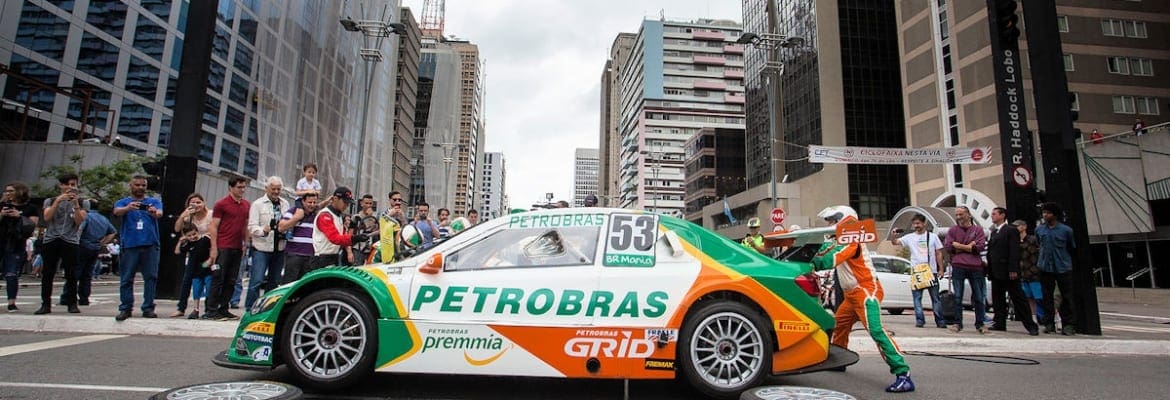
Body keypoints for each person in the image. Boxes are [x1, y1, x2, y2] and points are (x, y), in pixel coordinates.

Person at [813, 205, 913, 393]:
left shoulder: (852, 240)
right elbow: (823, 250)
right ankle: (839, 360)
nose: (830, 224)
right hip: (852, 295)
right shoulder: (838, 239)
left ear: (845, 220)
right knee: (840, 326)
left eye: (833, 220)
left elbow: (828, 260)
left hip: (865, 291)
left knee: (876, 330)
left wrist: (809, 260)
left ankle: (903, 373)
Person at [111, 175, 164, 321]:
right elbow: (116, 212)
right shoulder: (123, 202)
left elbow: (160, 214)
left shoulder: (154, 202)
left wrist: (153, 212)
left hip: (150, 244)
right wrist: (128, 208)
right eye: (137, 185)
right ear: (131, 185)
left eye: (143, 185)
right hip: (130, 244)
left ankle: (148, 307)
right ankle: (125, 307)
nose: (140, 188)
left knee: (151, 277)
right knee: (127, 278)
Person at [38, 173, 88, 315]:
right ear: (62, 185)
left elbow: (79, 221)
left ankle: (72, 303)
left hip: (70, 239)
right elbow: (47, 217)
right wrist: (58, 201)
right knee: (48, 273)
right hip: (52, 239)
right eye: (69, 184)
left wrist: (76, 204)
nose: (71, 188)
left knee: (71, 274)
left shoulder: (83, 202)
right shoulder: (50, 200)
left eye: (74, 185)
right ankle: (45, 304)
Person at [985, 207, 1039, 335]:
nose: (992, 216)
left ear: (1002, 215)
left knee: (1018, 298)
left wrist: (1013, 268)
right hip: (996, 271)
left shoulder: (1010, 230)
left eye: (994, 214)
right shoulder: (994, 232)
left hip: (1008, 271)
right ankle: (999, 323)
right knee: (998, 299)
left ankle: (1030, 325)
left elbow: (1014, 250)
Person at [206, 177, 251, 321]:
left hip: (237, 246)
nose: (242, 190)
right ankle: (211, 310)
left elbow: (245, 225)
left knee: (232, 280)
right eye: (239, 187)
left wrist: (245, 243)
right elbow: (213, 226)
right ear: (231, 188)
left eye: (244, 187)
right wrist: (214, 247)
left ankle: (224, 308)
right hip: (223, 245)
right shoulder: (222, 204)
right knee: (218, 278)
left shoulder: (245, 205)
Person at [889, 214, 946, 328]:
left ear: (924, 223)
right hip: (917, 271)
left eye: (918, 223)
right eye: (914, 223)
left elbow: (939, 253)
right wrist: (893, 236)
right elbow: (896, 243)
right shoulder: (909, 237)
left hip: (931, 270)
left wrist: (941, 269)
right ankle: (920, 320)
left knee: (935, 298)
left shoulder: (933, 236)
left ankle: (940, 320)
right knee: (917, 298)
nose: (916, 226)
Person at [244, 176, 289, 310]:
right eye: (273, 189)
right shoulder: (258, 204)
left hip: (279, 247)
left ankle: (268, 309)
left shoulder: (285, 204)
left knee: (274, 282)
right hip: (262, 247)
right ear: (266, 189)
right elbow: (251, 226)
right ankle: (250, 308)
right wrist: (262, 230)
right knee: (256, 280)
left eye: (278, 189)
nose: (276, 192)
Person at [942, 205, 988, 334]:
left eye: (961, 214)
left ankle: (980, 323)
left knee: (979, 296)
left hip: (975, 267)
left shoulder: (978, 230)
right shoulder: (952, 230)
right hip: (958, 266)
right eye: (957, 215)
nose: (959, 217)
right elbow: (949, 247)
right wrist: (969, 246)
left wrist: (960, 246)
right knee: (958, 296)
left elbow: (979, 247)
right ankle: (957, 323)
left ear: (968, 214)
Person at [1036, 202, 1077, 336]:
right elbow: (1039, 244)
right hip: (1045, 267)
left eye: (1047, 213)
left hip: (1062, 267)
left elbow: (1071, 247)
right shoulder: (1040, 230)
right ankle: (1049, 324)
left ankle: (1068, 325)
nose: (1044, 215)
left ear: (1054, 215)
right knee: (1046, 297)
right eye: (1043, 213)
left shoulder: (1066, 230)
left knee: (1067, 297)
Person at [171, 193, 212, 317]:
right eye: (192, 203)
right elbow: (177, 229)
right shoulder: (188, 217)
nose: (196, 205)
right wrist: (183, 215)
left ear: (204, 203)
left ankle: (209, 308)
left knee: (209, 282)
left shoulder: (211, 214)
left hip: (207, 252)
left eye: (199, 202)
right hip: (193, 253)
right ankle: (181, 308)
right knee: (187, 279)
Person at [310, 187, 367, 272]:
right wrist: (355, 238)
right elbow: (335, 238)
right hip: (321, 259)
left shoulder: (339, 216)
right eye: (345, 202)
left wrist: (355, 239)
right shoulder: (325, 215)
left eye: (348, 203)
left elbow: (343, 236)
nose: (347, 205)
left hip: (333, 257)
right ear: (335, 199)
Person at [3, 182, 39, 312]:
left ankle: (11, 302)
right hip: (2, 239)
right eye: (7, 191)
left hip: (16, 243)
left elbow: (32, 226)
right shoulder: (2, 205)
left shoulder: (30, 208)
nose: (8, 193)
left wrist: (19, 216)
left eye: (11, 191)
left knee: (11, 273)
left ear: (20, 192)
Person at [76, 203, 116, 307]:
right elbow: (112, 232)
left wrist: (75, 241)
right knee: (88, 274)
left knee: (75, 272)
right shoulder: (104, 219)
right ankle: (84, 298)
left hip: (83, 245)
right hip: (95, 247)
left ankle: (68, 297)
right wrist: (102, 242)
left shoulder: (86, 217)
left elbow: (79, 229)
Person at [279, 192, 318, 284]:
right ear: (303, 202)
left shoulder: (316, 215)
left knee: (305, 285)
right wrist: (296, 218)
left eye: (314, 202)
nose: (312, 205)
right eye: (309, 202)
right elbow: (281, 227)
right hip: (294, 254)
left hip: (310, 256)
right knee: (289, 284)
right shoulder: (293, 211)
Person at [175, 223, 212, 319]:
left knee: (209, 288)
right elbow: (177, 252)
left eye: (194, 234)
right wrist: (180, 242)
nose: (192, 237)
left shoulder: (205, 240)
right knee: (196, 291)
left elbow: (213, 248)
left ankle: (209, 308)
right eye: (189, 236)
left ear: (197, 231)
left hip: (207, 269)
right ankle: (196, 309)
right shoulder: (188, 244)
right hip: (195, 271)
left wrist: (210, 260)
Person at [1014, 219, 1045, 323]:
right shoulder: (1015, 241)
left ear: (1024, 227)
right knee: (1028, 297)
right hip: (1023, 273)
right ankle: (1033, 316)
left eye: (1017, 226)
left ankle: (1045, 316)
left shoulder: (1033, 240)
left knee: (1039, 297)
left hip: (1034, 272)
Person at [374, 191, 407, 263]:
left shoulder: (403, 214)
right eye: (395, 200)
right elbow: (379, 228)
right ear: (390, 200)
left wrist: (403, 219)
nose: (397, 202)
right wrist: (389, 215)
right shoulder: (383, 213)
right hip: (385, 245)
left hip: (398, 246)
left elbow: (406, 230)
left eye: (399, 200)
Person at [348, 194, 377, 265]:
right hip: (358, 248)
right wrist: (349, 252)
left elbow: (375, 231)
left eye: (370, 203)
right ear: (361, 203)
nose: (368, 205)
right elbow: (349, 235)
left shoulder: (375, 218)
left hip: (370, 248)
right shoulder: (356, 217)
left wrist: (370, 218)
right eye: (366, 203)